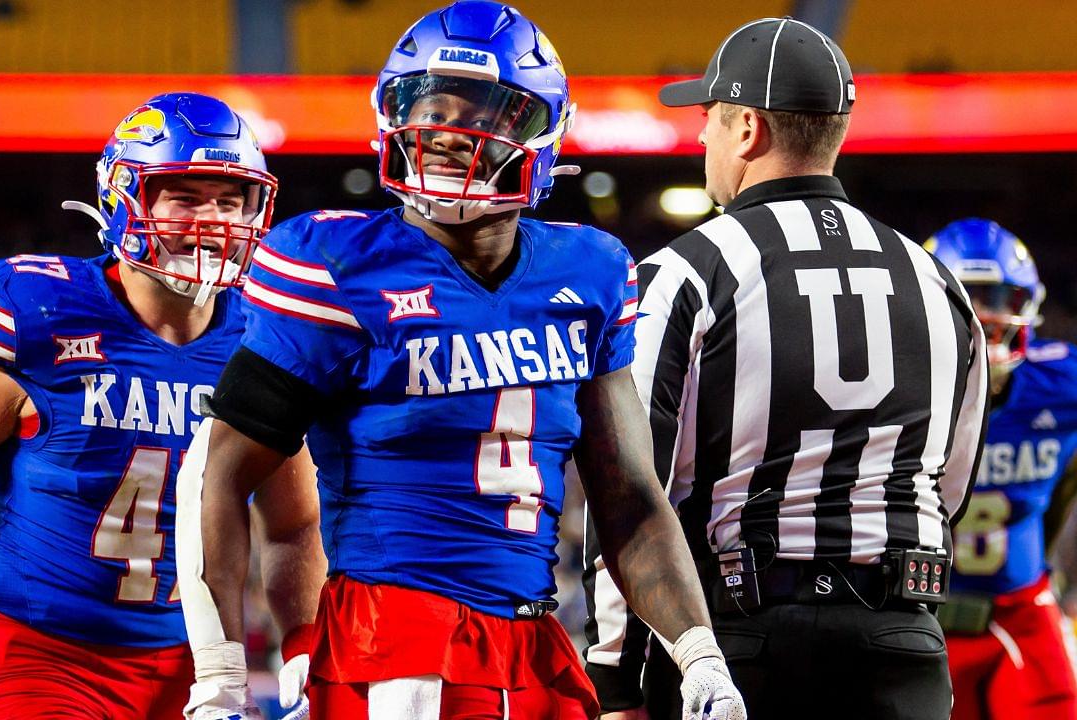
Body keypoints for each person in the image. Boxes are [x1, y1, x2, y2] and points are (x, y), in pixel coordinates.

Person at [177, 2, 746, 719]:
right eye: (429, 105)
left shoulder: (590, 268)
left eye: (484, 111)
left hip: (535, 641)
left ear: (541, 131)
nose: (448, 130)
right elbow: (217, 474)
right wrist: (222, 678)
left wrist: (699, 653)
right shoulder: (337, 264)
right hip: (395, 637)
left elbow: (629, 497)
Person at [0, 93, 324, 720]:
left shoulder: (264, 336)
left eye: (230, 201)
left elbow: (293, 523)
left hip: (197, 661)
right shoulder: (40, 310)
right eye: (183, 197)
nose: (212, 221)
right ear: (126, 198)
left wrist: (303, 651)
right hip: (38, 656)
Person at [583, 17, 988, 720]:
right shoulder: (937, 281)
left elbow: (631, 496)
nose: (701, 136)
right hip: (904, 639)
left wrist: (616, 678)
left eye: (709, 116)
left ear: (747, 128)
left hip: (744, 641)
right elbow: (948, 485)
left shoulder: (683, 273)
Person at [925, 218, 1077, 719]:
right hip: (917, 614)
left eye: (999, 298)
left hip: (1021, 610)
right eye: (968, 296)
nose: (985, 315)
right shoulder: (890, 391)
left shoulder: (1060, 383)